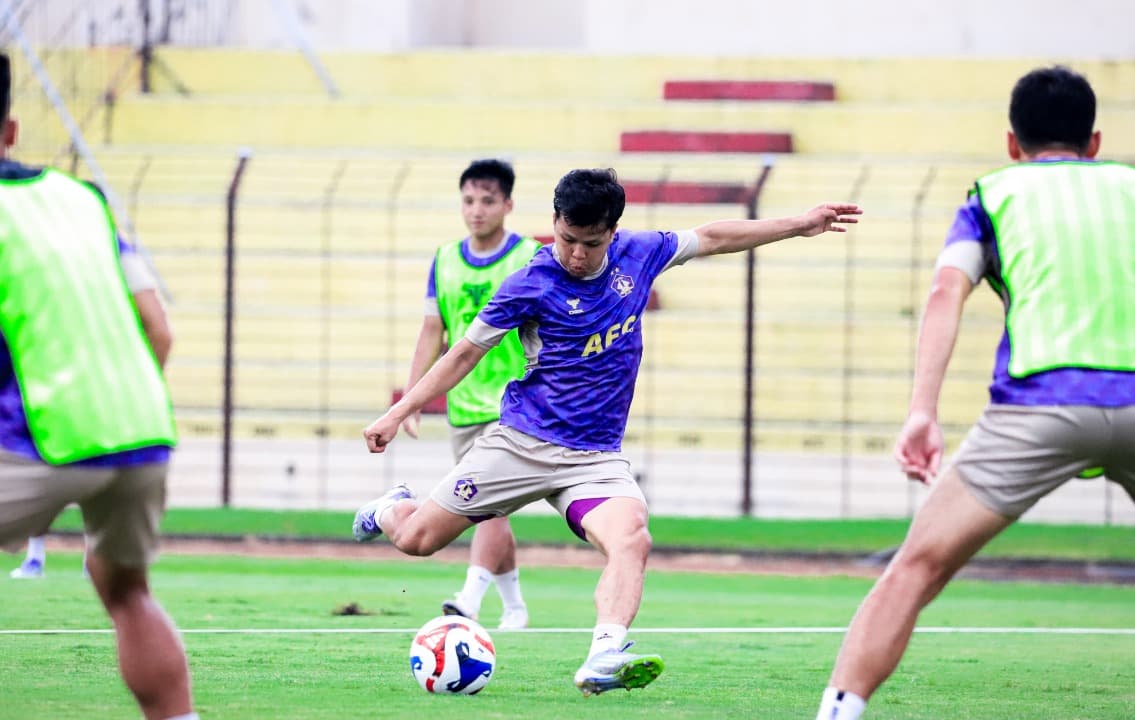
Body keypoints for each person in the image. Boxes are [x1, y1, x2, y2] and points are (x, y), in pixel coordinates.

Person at [353, 167, 860, 695]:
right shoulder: (530, 282)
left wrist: (798, 224)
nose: (575, 254)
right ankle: (389, 507)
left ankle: (604, 655)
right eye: (567, 239)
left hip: (594, 457)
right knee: (416, 540)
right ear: (554, 223)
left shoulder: (640, 255)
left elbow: (712, 237)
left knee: (631, 537)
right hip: (521, 444)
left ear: (612, 233)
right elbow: (464, 353)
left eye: (589, 244)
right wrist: (398, 410)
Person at [814, 66, 1135, 720]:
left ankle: (838, 714)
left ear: (1012, 143)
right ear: (1094, 141)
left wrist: (921, 414)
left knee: (914, 569)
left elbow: (944, 293)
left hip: (1040, 404)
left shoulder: (992, 193)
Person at [0, 53, 197, 720]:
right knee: (127, 595)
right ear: (11, 130)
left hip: (45, 437)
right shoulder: (81, 199)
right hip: (140, 426)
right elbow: (158, 329)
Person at [400, 159, 540, 629]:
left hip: (514, 405)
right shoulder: (444, 259)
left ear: (508, 205)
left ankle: (470, 599)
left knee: (485, 501)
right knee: (487, 509)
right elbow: (430, 333)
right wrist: (412, 402)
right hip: (462, 406)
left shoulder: (527, 258)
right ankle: (516, 607)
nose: (476, 210)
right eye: (468, 200)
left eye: (487, 201)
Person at [10, 233, 173, 580]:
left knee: (58, 485)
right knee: (128, 590)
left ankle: (41, 558)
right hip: (130, 422)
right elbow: (160, 330)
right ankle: (67, 560)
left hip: (58, 410)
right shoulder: (102, 260)